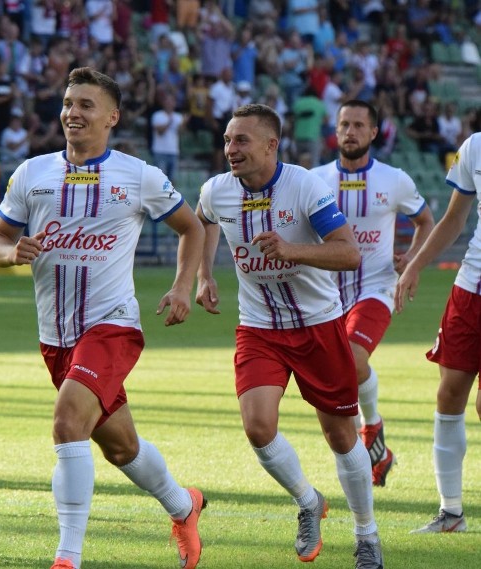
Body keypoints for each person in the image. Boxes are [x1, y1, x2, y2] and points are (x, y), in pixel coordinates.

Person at [0, 67, 208, 569]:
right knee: (121, 447)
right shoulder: (32, 173)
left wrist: (181, 288)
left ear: (112, 117)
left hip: (112, 325)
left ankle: (68, 559)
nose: (73, 113)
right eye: (68, 103)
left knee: (68, 424)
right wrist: (9, 251)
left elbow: (191, 228)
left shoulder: (139, 175)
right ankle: (183, 505)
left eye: (86, 104)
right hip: (55, 336)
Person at [195, 103, 383, 568]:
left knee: (340, 436)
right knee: (259, 427)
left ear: (270, 145)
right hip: (258, 328)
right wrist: (202, 276)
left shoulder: (304, 186)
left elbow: (349, 253)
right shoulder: (216, 191)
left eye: (241, 140)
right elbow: (201, 222)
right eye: (226, 140)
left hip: (318, 324)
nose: (230, 149)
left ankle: (367, 536)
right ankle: (308, 501)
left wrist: (291, 249)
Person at [311, 100, 434, 487]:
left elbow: (425, 220)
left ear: (373, 132)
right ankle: (375, 439)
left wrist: (412, 261)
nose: (350, 131)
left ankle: (369, 432)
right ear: (336, 128)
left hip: (377, 286)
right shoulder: (313, 180)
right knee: (336, 372)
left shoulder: (393, 180)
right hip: (325, 294)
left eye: (358, 125)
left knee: (350, 357)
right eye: (344, 124)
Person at [395, 131, 481, 534]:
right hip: (470, 288)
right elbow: (454, 218)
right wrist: (415, 263)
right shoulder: (474, 146)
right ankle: (451, 514)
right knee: (449, 394)